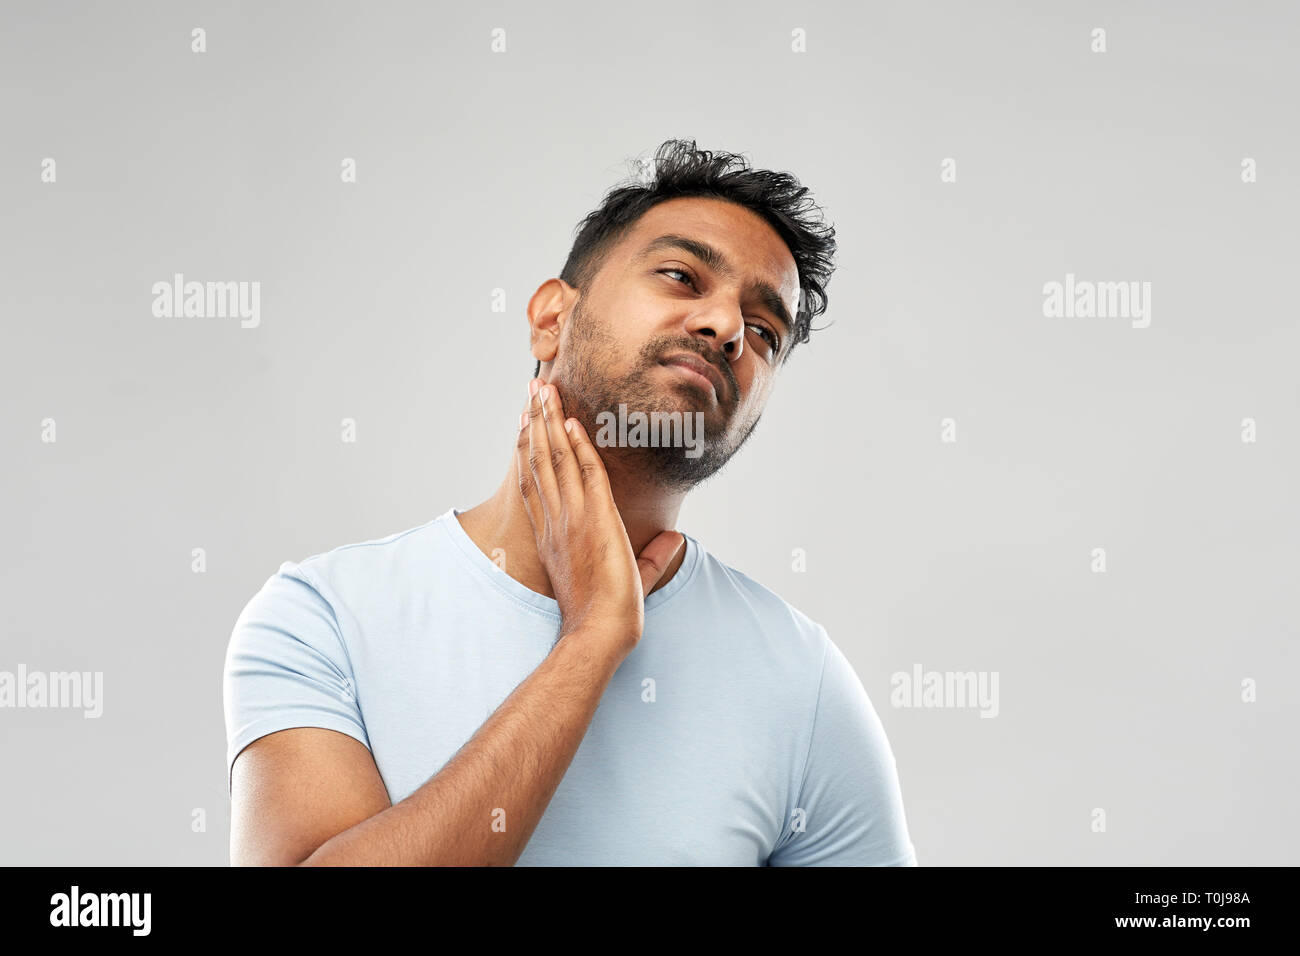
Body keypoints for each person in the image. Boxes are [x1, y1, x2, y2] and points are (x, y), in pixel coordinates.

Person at [223, 138, 917, 866]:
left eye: (765, 331)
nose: (726, 328)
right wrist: (590, 643)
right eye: (682, 277)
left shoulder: (801, 681)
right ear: (550, 317)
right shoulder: (322, 616)